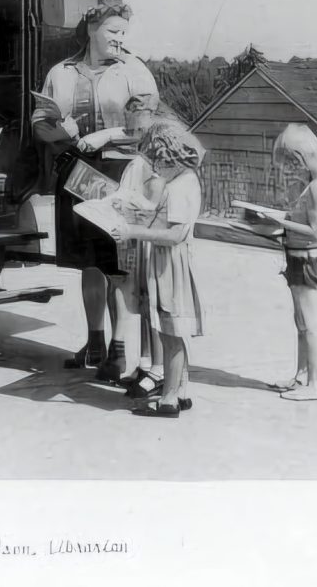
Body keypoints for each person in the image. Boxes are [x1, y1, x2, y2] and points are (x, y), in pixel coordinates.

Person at [31, 1, 159, 381]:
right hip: (76, 171)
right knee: (87, 261)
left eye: (123, 33)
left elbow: (145, 127)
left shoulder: (134, 71)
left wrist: (106, 134)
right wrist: (61, 133)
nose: (119, 39)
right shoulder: (60, 72)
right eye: (112, 31)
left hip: (119, 171)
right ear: (91, 29)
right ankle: (95, 341)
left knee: (116, 263)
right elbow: (40, 122)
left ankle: (119, 352)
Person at [111, 120, 205, 417]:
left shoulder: (177, 188)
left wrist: (132, 232)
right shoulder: (188, 179)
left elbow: (175, 234)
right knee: (174, 331)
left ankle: (168, 400)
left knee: (170, 333)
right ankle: (181, 390)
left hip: (168, 264)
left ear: (168, 157)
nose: (155, 171)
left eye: (157, 164)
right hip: (173, 261)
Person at [266, 124, 317, 401]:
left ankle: (315, 384)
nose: (291, 169)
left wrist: (279, 222)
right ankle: (301, 376)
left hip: (308, 258)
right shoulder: (316, 183)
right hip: (297, 256)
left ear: (300, 157)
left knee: (309, 322)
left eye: (292, 162)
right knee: (300, 321)